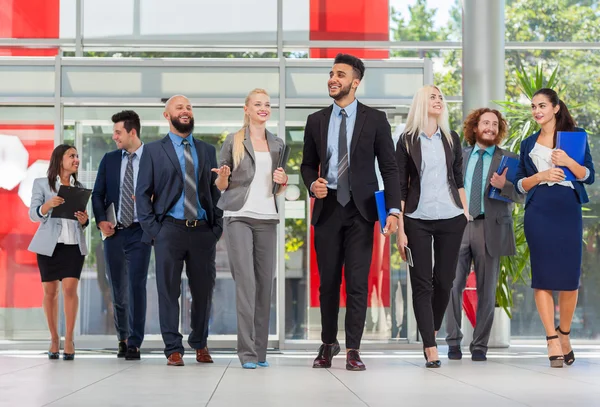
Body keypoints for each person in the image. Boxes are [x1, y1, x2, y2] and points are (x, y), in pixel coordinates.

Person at [301, 53, 401, 371]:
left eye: (340, 74)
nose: (333, 78)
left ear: (355, 83)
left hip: (361, 210)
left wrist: (394, 212)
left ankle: (354, 349)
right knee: (328, 283)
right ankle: (328, 342)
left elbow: (389, 167)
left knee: (357, 282)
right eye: (331, 73)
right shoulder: (315, 120)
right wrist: (311, 184)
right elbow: (306, 165)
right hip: (328, 208)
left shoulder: (375, 119)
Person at [136, 95, 223, 366]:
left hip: (202, 231)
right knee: (168, 291)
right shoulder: (152, 151)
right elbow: (142, 194)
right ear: (167, 115)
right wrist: (154, 231)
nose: (185, 111)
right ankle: (173, 347)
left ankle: (200, 343)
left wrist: (216, 227)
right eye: (179, 107)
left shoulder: (207, 150)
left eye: (188, 107)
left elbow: (214, 192)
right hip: (168, 231)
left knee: (203, 291)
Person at [514, 88, 594, 368]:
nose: (536, 111)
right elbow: (519, 184)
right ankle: (550, 338)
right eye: (533, 106)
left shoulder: (576, 137)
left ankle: (565, 334)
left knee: (570, 278)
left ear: (556, 108)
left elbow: (589, 176)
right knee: (543, 275)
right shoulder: (528, 144)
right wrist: (541, 175)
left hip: (567, 210)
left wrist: (568, 162)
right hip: (539, 211)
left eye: (542, 106)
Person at [213, 88, 288, 369]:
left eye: (267, 104)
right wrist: (222, 177)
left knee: (264, 286)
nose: (263, 108)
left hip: (267, 217)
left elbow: (279, 186)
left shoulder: (278, 143)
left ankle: (260, 353)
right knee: (246, 283)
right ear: (247, 108)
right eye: (258, 104)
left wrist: (283, 179)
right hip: (239, 216)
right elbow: (221, 184)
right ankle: (246, 353)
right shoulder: (233, 141)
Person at [395, 85, 469, 368]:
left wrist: (465, 213)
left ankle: (431, 328)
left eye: (440, 97)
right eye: (432, 97)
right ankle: (429, 344)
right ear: (421, 102)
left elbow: (458, 178)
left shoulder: (451, 139)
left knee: (445, 280)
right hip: (416, 219)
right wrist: (400, 229)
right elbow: (401, 187)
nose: (438, 100)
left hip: (451, 217)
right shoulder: (406, 140)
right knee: (422, 283)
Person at [444, 108, 523, 362]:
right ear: (475, 127)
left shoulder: (509, 159)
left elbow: (523, 194)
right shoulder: (460, 156)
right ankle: (453, 342)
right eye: (485, 123)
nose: (490, 127)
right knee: (451, 286)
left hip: (492, 228)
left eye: (495, 124)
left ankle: (480, 346)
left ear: (499, 130)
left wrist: (506, 186)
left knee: (486, 290)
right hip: (459, 226)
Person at [91, 110, 152, 360]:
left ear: (132, 132)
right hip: (115, 232)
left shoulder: (152, 157)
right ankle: (123, 337)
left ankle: (135, 342)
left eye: (118, 132)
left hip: (140, 231)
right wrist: (101, 221)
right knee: (117, 287)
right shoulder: (109, 159)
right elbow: (97, 194)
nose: (114, 137)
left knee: (137, 285)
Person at [28, 144, 89, 361]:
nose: (76, 160)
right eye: (71, 156)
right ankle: (54, 339)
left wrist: (85, 220)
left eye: (77, 156)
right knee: (50, 293)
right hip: (49, 247)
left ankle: (70, 339)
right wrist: (47, 206)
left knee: (70, 289)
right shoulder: (42, 184)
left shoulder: (79, 187)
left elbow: (83, 218)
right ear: (59, 159)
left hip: (73, 245)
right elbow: (33, 214)